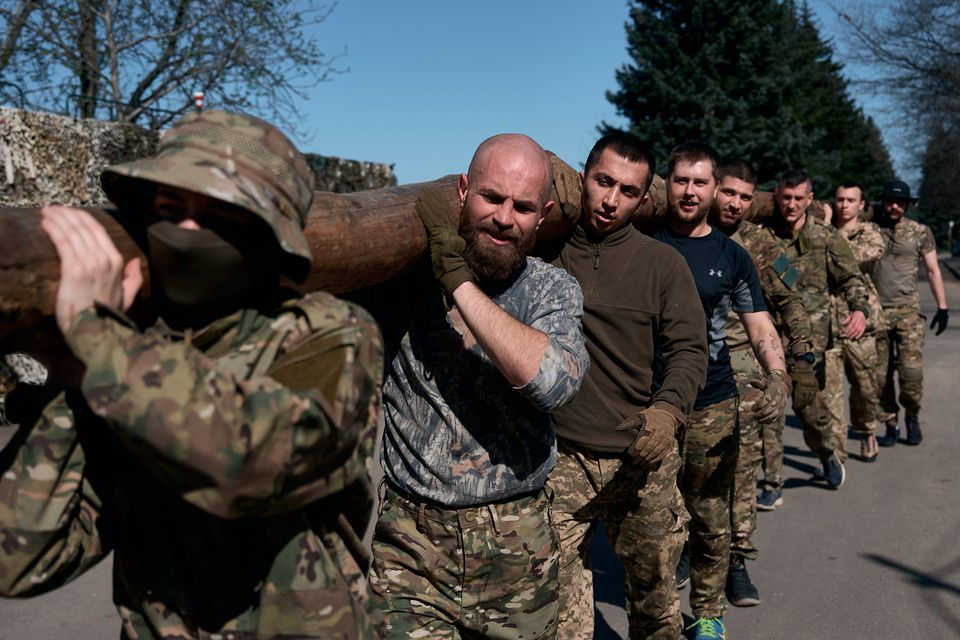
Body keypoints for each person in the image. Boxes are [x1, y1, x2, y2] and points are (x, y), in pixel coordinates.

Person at [0, 110, 384, 638]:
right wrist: (71, 374)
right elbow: (19, 562)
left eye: (219, 215)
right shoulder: (121, 362)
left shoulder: (331, 337)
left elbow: (244, 462)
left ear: (271, 238)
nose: (184, 232)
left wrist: (96, 336)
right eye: (169, 208)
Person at [367, 134, 589, 639]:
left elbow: (553, 385)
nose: (505, 218)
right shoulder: (400, 282)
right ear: (464, 191)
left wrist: (457, 280)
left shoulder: (551, 288)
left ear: (543, 214)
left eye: (524, 207)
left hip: (517, 549)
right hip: (411, 547)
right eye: (492, 197)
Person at [544, 132, 707, 640]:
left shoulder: (662, 265)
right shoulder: (544, 250)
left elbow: (689, 351)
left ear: (643, 197)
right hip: (557, 459)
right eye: (603, 182)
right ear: (582, 178)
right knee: (556, 611)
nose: (611, 200)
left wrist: (667, 410)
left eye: (629, 191)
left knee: (656, 608)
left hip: (640, 460)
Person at [654, 142, 791, 640]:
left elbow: (759, 326)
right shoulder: (644, 241)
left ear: (712, 190)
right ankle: (661, 617)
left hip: (713, 401)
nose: (690, 191)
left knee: (711, 520)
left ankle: (709, 615)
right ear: (667, 183)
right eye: (681, 180)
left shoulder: (734, 256)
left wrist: (778, 375)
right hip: (648, 404)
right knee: (655, 524)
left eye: (700, 183)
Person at [709, 158, 816, 607]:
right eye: (728, 192)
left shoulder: (759, 245)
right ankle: (686, 550)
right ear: (713, 189)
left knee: (739, 465)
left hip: (740, 363)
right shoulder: (674, 233)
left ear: (753, 203)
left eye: (744, 197)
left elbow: (791, 304)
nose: (734, 203)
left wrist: (804, 359)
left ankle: (736, 559)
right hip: (681, 362)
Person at [759, 169, 871, 489]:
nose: (791, 205)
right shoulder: (764, 237)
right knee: (769, 407)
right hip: (770, 335)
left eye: (798, 199)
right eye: (786, 198)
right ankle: (772, 482)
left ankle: (825, 453)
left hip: (811, 341)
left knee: (808, 408)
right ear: (777, 197)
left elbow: (851, 278)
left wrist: (859, 310)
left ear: (810, 200)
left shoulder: (825, 236)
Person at [871, 180, 950, 446]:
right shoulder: (871, 229)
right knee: (880, 375)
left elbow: (932, 270)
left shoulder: (920, 232)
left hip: (908, 312)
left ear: (907, 204)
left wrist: (942, 306)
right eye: (890, 201)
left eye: (900, 202)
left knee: (911, 373)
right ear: (882, 202)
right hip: (877, 313)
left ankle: (912, 416)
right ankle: (890, 423)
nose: (894, 206)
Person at [826, 182, 887, 460]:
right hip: (827, 322)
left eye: (851, 200)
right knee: (831, 394)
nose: (844, 205)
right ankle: (836, 453)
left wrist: (825, 232)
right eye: (840, 199)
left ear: (861, 205)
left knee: (864, 386)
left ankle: (865, 429)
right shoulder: (818, 229)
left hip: (859, 320)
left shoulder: (870, 233)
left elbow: (850, 259)